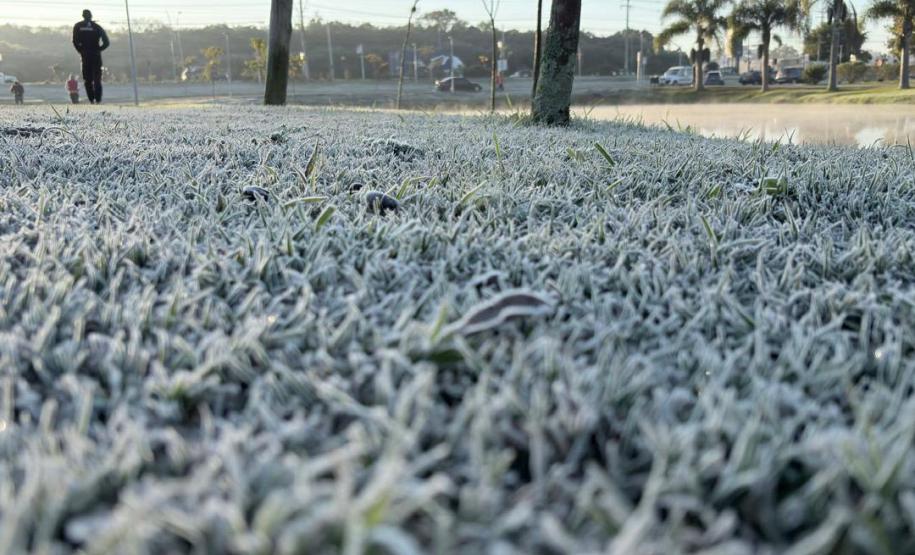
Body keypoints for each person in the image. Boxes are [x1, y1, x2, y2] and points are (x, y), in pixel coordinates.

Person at [72, 9, 109, 104]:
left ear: (83, 15)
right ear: (91, 16)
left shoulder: (78, 26)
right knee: (97, 78)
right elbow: (106, 42)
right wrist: (99, 49)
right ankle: (98, 99)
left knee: (87, 79)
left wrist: (81, 51)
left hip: (85, 56)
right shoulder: (97, 27)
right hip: (96, 55)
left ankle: (91, 99)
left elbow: (75, 41)